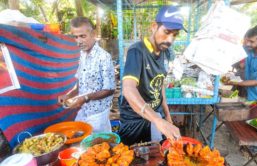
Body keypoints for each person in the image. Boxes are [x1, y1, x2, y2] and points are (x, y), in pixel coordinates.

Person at [118, 6, 184, 145]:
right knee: (130, 158)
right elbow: (128, 89)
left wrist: (167, 116)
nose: (170, 40)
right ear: (154, 26)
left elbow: (160, 85)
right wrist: (158, 120)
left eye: (175, 35)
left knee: (156, 156)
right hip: (134, 119)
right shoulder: (136, 51)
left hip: (154, 115)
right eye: (166, 32)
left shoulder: (165, 52)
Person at [58, 17, 115, 132]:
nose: (79, 41)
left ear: (93, 34)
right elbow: (80, 81)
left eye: (83, 36)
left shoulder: (103, 57)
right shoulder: (82, 55)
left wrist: (85, 98)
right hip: (83, 112)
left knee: (98, 147)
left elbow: (109, 89)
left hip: (98, 116)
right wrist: (68, 95)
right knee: (79, 143)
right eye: (76, 37)